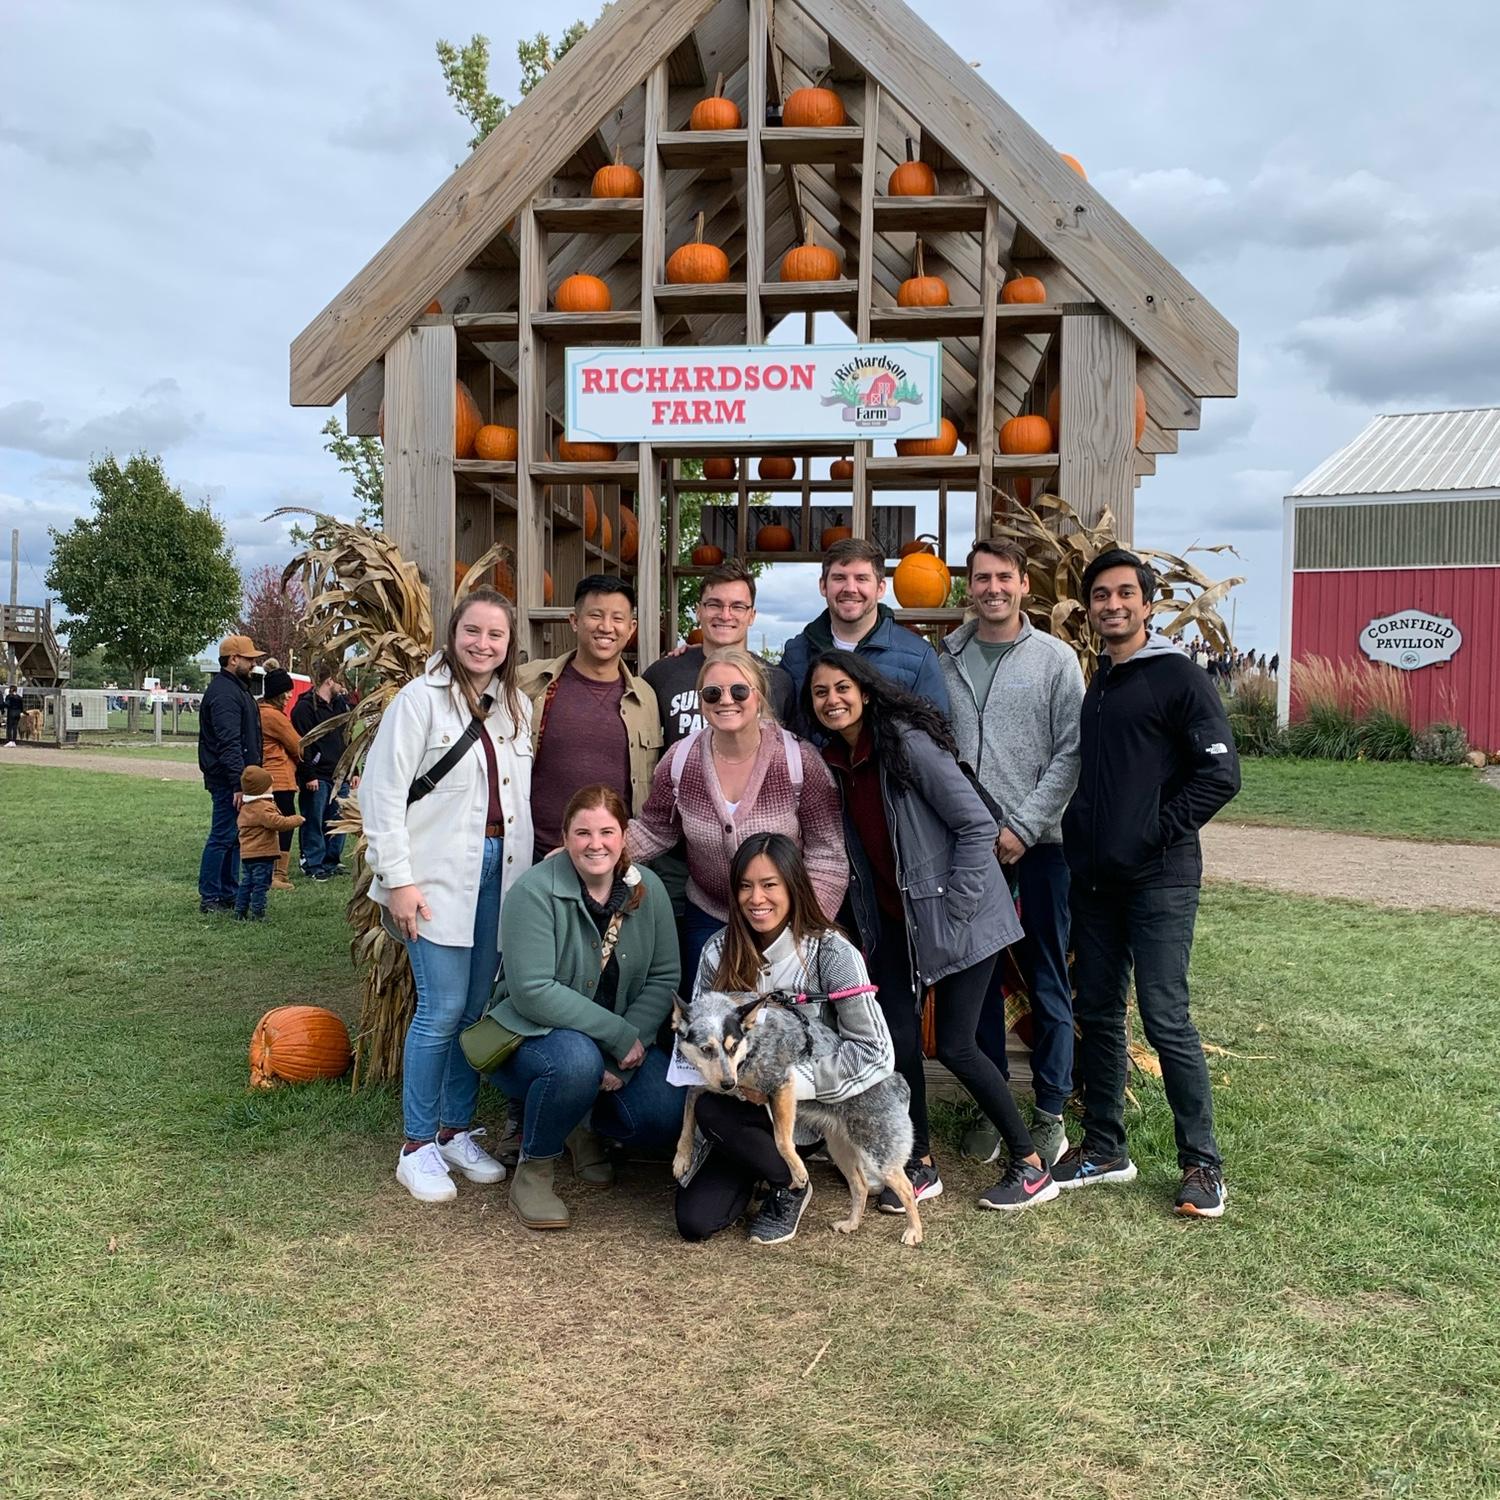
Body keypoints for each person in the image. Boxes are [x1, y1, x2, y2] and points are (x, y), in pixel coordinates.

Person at [807, 650, 1058, 1213]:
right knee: (896, 1039)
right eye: (820, 693)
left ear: (865, 691)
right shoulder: (837, 763)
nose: (832, 700)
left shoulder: (904, 745)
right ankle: (918, 1162)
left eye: (842, 688)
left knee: (956, 1044)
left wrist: (958, 907)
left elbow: (976, 823)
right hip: (895, 925)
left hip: (963, 916)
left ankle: (1031, 1164)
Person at [1059, 548, 1241, 1218]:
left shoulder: (1177, 677)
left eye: (1124, 594)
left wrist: (1153, 832)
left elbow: (1220, 774)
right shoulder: (1103, 681)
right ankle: (1106, 1148)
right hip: (1096, 881)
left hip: (1160, 877)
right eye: (1100, 595)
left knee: (1165, 1017)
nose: (1112, 605)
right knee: (1099, 1012)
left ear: (1147, 601)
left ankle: (1202, 1164)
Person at [360, 587, 535, 1205]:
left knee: (474, 1011)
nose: (483, 644)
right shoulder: (419, 701)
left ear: (509, 643)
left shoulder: (515, 706)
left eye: (496, 634)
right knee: (440, 1008)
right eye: (472, 631)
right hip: (434, 874)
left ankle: (454, 1129)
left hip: (499, 870)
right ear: (453, 633)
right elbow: (382, 794)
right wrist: (398, 880)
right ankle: (416, 1145)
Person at [938, 540, 1084, 1167]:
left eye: (1004, 577)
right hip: (971, 852)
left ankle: (1050, 1109)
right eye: (981, 578)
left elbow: (1073, 752)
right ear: (968, 587)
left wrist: (1023, 826)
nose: (992, 588)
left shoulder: (1055, 659)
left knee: (1046, 977)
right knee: (983, 982)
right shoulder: (945, 659)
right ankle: (991, 1102)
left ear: (1024, 584)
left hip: (1041, 847)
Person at [675, 833, 894, 1246]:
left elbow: (875, 1052)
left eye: (769, 884)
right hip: (736, 1113)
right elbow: (693, 1038)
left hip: (807, 1116)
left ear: (794, 886)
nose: (756, 898)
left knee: (717, 1110)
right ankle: (768, 1170)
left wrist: (791, 1083)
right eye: (745, 886)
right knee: (694, 1221)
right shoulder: (717, 951)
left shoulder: (832, 952)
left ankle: (790, 1184)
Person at [487, 785, 682, 1230]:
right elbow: (533, 990)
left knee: (667, 1110)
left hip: (617, 1043)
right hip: (535, 1039)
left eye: (607, 832)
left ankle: (583, 1125)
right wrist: (616, 1037)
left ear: (625, 836)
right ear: (565, 837)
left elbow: (664, 976)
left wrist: (626, 1046)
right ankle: (535, 1170)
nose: (596, 844)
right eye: (583, 833)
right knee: (577, 1061)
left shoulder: (648, 889)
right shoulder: (533, 892)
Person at [627, 649, 848, 988]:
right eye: (712, 693)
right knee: (710, 1014)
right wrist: (595, 851)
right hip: (710, 916)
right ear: (701, 702)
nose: (726, 700)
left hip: (785, 921)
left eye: (739, 691)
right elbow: (655, 829)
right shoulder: (681, 761)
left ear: (758, 697)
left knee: (779, 1015)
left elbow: (828, 854)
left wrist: (804, 924)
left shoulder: (797, 761)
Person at [519, 574, 661, 864]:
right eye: (595, 615)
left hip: (613, 860)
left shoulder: (645, 698)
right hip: (535, 856)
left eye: (617, 618)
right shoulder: (530, 682)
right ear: (574, 621)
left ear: (631, 628)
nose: (606, 627)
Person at [780, 538, 949, 717]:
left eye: (861, 579)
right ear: (823, 586)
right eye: (839, 578)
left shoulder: (919, 657)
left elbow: (936, 728)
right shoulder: (796, 654)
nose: (850, 588)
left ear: (880, 588)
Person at [644, 559, 796, 746]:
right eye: (714, 605)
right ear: (699, 611)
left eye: (737, 606)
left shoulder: (778, 681)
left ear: (752, 616)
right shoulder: (662, 675)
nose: (725, 615)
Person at [197, 635, 266, 915]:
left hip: (237, 778)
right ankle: (211, 895)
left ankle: (227, 891)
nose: (253, 664)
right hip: (229, 780)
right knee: (222, 836)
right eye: (249, 659)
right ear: (233, 659)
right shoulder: (225, 694)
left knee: (234, 837)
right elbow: (229, 743)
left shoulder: (236, 689)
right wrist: (239, 783)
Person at [292, 661, 354, 880]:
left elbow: (348, 738)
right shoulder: (305, 708)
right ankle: (313, 862)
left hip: (339, 774)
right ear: (329, 681)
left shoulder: (340, 706)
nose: (342, 686)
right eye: (340, 681)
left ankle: (331, 859)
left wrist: (353, 770)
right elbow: (304, 743)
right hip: (318, 774)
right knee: (314, 819)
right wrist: (309, 774)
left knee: (338, 820)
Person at [234, 765, 303, 921]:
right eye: (270, 786)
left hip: (247, 854)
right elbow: (278, 823)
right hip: (262, 854)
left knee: (246, 883)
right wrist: (297, 820)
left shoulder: (246, 807)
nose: (272, 788)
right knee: (261, 885)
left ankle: (240, 910)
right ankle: (258, 913)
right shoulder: (263, 808)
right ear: (262, 789)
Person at [257, 668, 303, 892]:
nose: (289, 696)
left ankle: (267, 871)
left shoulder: (258, 711)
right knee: (285, 824)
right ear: (277, 693)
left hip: (265, 777)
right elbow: (298, 745)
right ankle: (278, 873)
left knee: (269, 825)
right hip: (280, 778)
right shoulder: (274, 716)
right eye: (286, 692)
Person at [4, 682, 22, 746]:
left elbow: (7, 704)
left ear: (11, 690)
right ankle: (14, 741)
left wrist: (3, 706)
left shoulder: (9, 696)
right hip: (17, 713)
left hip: (11, 713)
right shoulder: (19, 697)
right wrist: (24, 713)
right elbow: (21, 707)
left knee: (9, 727)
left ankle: (10, 741)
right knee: (15, 727)